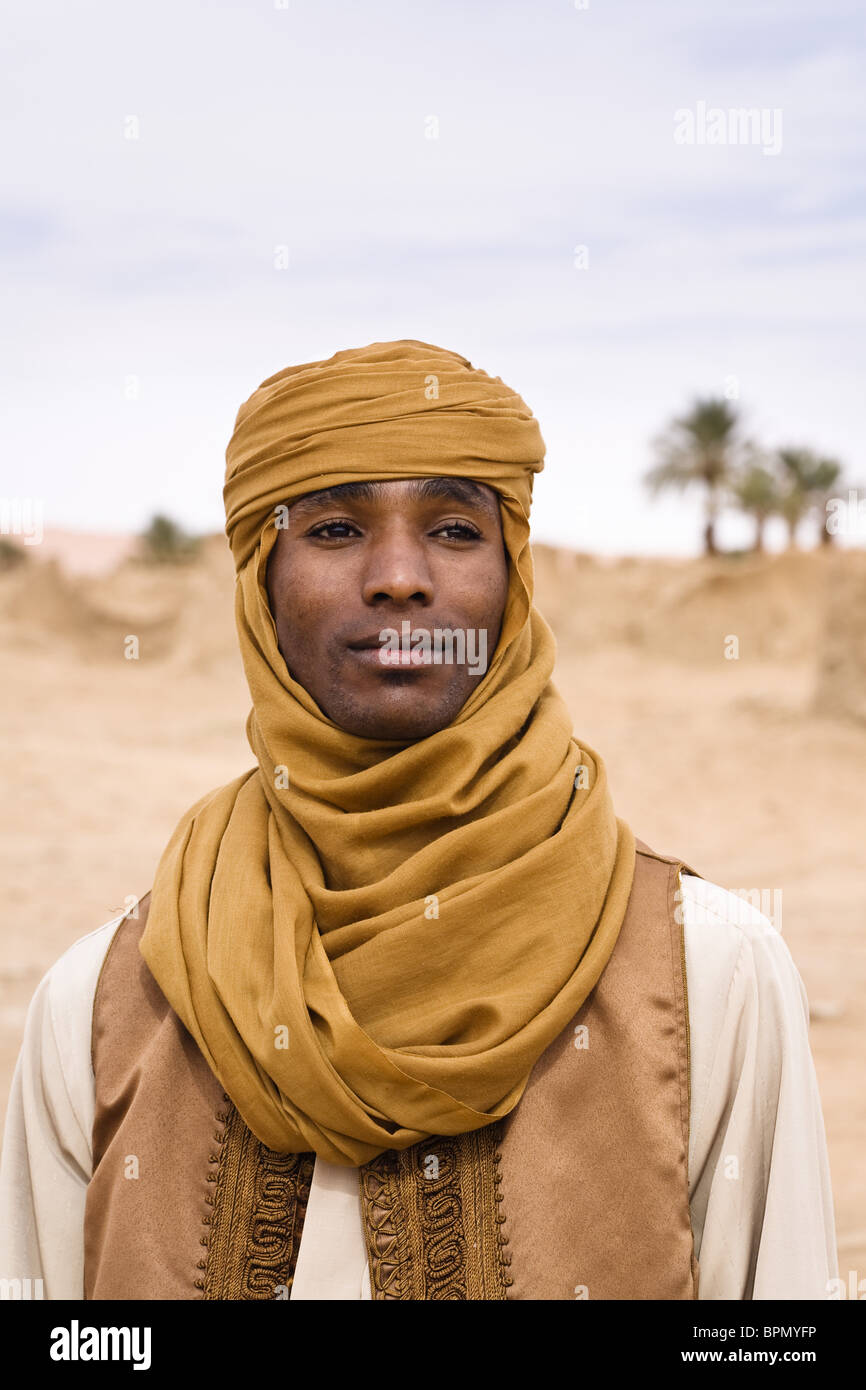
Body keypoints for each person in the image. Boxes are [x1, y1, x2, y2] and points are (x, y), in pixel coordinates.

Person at [0, 340, 837, 1301]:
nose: (399, 577)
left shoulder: (711, 978)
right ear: (258, 586)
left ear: (515, 579)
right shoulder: (101, 1005)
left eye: (451, 528)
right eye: (334, 531)